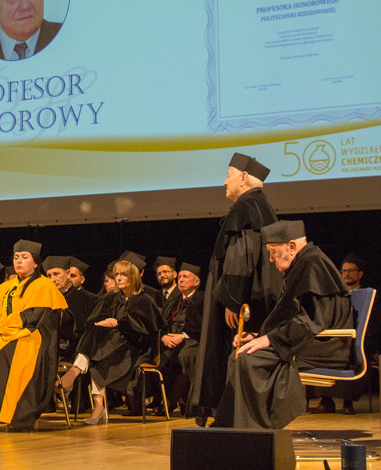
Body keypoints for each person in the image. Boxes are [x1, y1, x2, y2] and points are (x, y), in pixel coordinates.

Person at [213, 220, 353, 429]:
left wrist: (270, 339)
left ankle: (255, 430)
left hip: (327, 345)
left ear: (292, 246)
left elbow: (314, 321)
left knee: (249, 360)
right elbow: (292, 317)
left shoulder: (313, 263)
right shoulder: (301, 265)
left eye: (273, 252)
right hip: (306, 338)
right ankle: (231, 427)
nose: (271, 259)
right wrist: (260, 336)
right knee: (237, 356)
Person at [191, 152, 280, 424]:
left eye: (228, 175)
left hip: (241, 302)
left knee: (228, 353)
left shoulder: (248, 206)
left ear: (243, 177)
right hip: (248, 297)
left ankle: (228, 418)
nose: (224, 182)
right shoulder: (258, 205)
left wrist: (233, 300)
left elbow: (241, 258)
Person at [0, 239, 67, 433]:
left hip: (32, 338)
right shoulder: (6, 287)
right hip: (4, 334)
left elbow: (33, 318)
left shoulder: (44, 285)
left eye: (24, 257)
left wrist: (2, 325)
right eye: (16, 257)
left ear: (35, 263)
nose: (19, 261)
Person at [58, 260, 165, 424]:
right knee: (96, 337)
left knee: (98, 353)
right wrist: (106, 321)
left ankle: (75, 374)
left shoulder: (144, 300)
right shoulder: (112, 298)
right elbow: (93, 319)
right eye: (116, 275)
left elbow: (146, 331)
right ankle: (97, 406)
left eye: (123, 274)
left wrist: (119, 323)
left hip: (135, 349)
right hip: (111, 348)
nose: (119, 278)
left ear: (133, 277)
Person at [311, 253, 379, 415]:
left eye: (351, 270)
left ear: (360, 274)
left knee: (351, 351)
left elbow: (374, 324)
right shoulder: (336, 295)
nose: (346, 274)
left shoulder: (369, 296)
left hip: (360, 339)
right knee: (319, 350)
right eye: (343, 271)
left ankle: (348, 402)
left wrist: (359, 338)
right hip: (338, 336)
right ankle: (326, 401)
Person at [158, 263, 204, 414]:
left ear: (196, 282)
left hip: (193, 339)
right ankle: (171, 399)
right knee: (160, 357)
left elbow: (203, 326)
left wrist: (183, 336)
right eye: (180, 277)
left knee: (184, 356)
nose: (181, 280)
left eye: (186, 277)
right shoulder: (174, 300)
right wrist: (164, 337)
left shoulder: (202, 299)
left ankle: (184, 400)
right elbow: (163, 323)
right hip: (171, 340)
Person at [44, 255, 96, 361]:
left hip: (75, 354)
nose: (53, 279)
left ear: (68, 273)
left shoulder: (86, 298)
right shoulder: (43, 298)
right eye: (49, 276)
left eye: (56, 274)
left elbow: (89, 332)